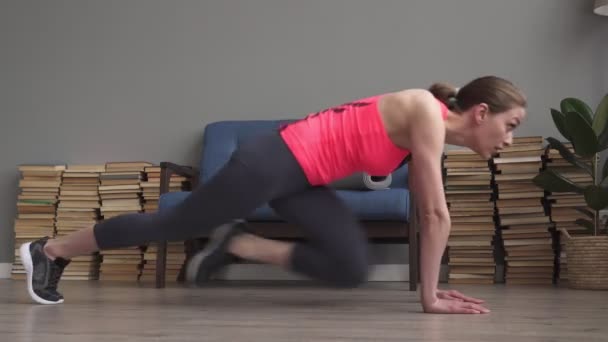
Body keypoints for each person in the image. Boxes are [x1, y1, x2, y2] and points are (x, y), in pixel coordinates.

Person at [19, 75, 526, 314]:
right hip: (276, 159)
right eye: (510, 126)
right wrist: (431, 299)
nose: (508, 140)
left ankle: (238, 244)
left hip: (304, 177)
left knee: (351, 267)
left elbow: (425, 209)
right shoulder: (424, 111)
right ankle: (49, 250)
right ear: (480, 112)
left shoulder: (428, 134)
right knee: (173, 225)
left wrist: (430, 294)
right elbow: (437, 216)